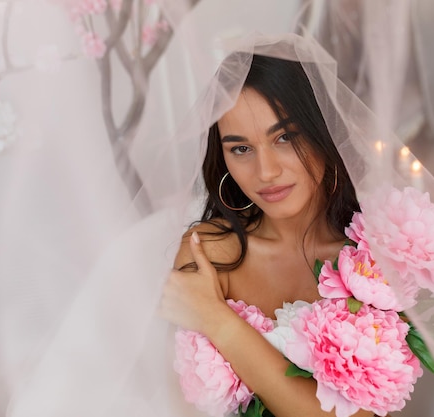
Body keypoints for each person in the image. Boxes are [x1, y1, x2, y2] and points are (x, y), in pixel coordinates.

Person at [159, 53, 373, 417]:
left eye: (285, 137)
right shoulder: (207, 254)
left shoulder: (372, 264)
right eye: (241, 148)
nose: (266, 171)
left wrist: (217, 319)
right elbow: (178, 402)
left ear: (323, 134)